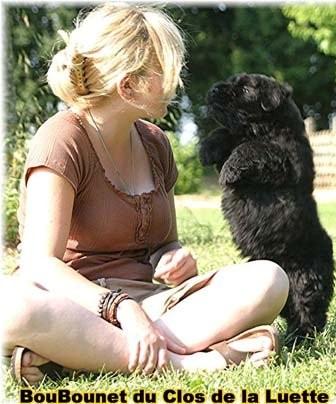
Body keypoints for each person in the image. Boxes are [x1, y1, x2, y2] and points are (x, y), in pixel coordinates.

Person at [2, 3, 289, 386]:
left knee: (269, 279)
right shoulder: (61, 139)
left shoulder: (156, 143)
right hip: (73, 306)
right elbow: (40, 265)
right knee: (12, 307)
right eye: (165, 71)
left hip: (151, 306)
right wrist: (120, 310)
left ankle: (72, 356)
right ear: (128, 85)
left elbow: (164, 244)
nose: (176, 83)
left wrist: (174, 257)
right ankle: (195, 363)